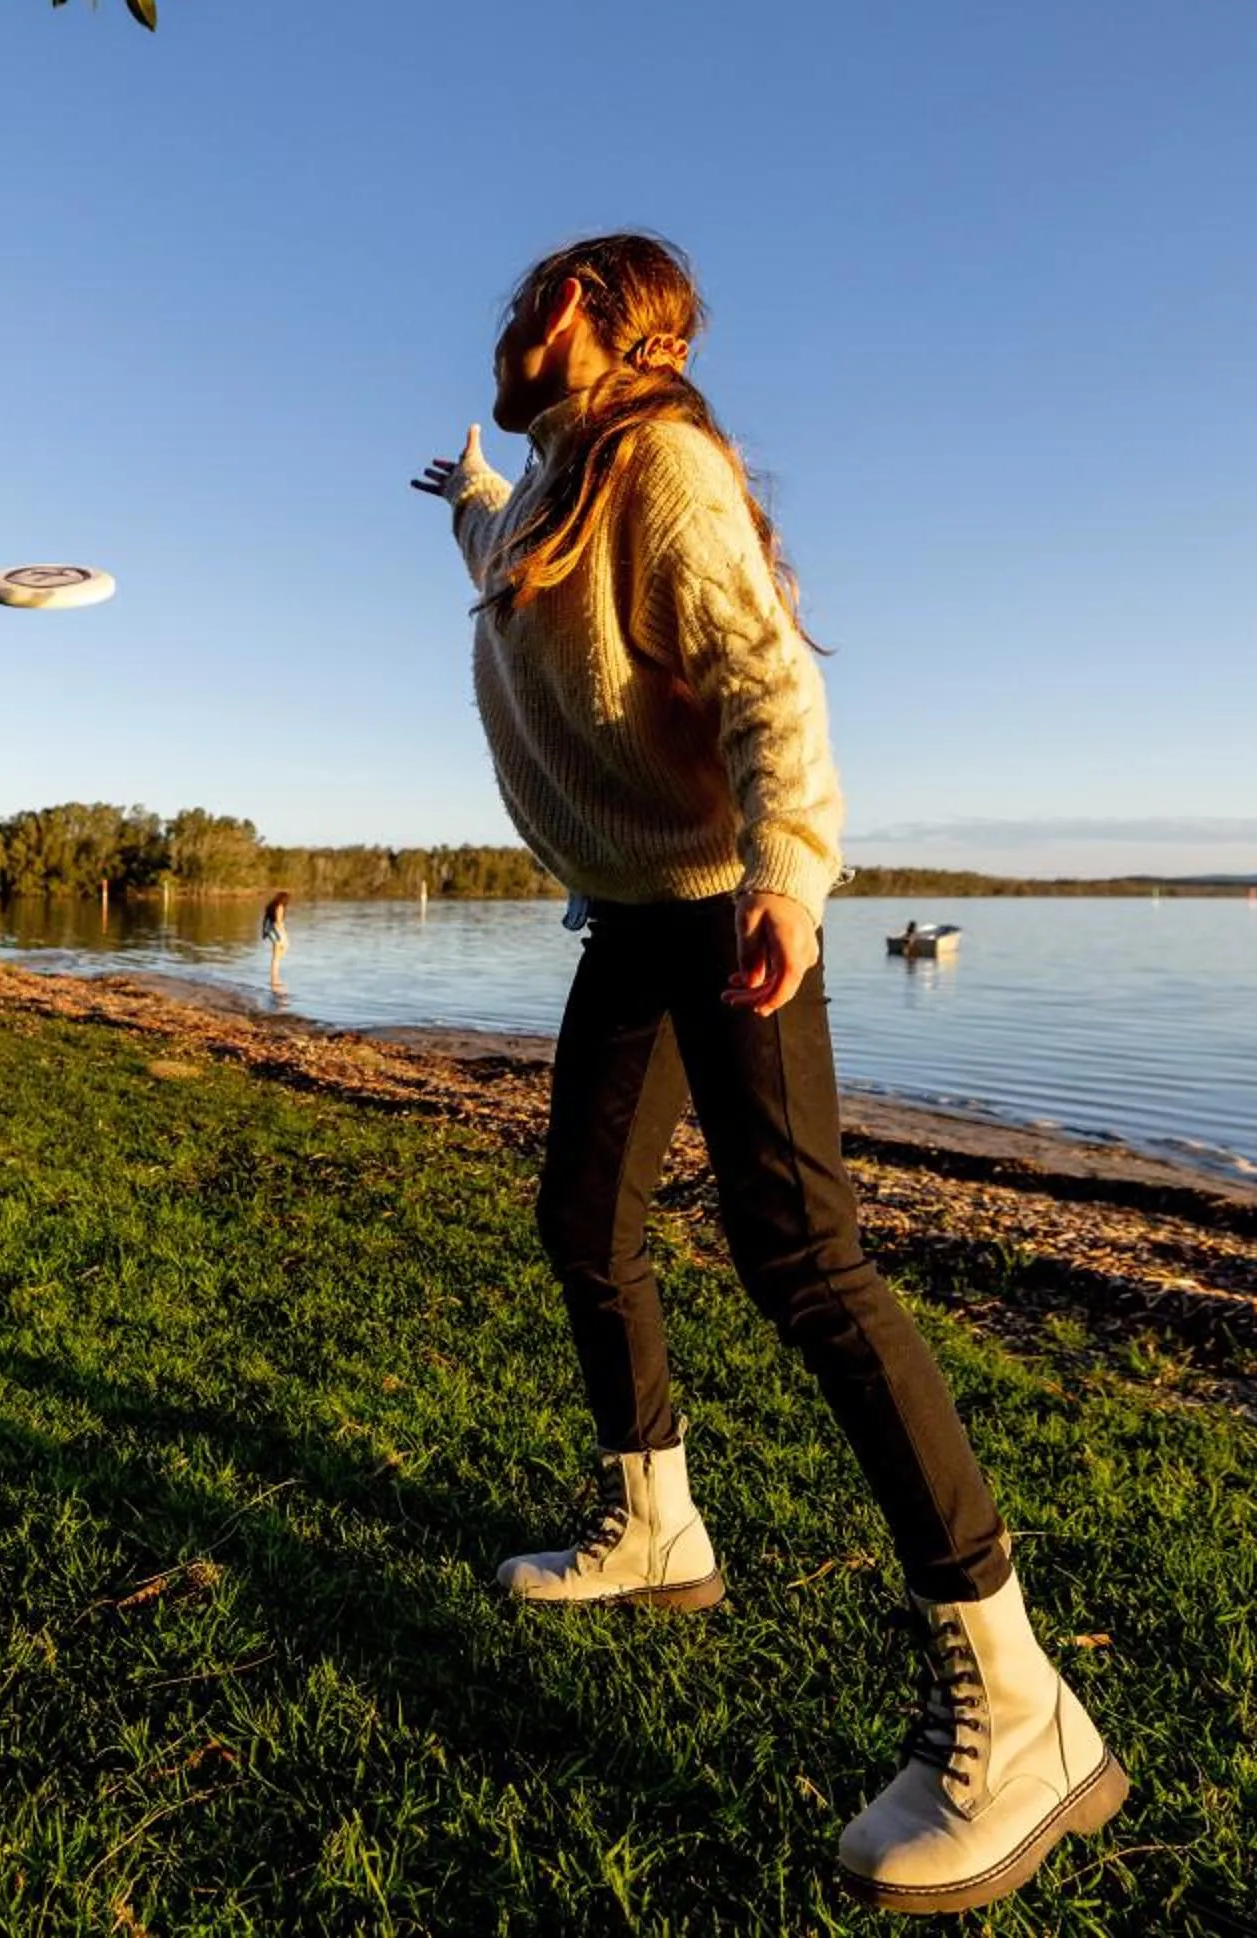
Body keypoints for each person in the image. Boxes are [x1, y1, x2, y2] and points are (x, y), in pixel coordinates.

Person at [410, 234, 1123, 1913]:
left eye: (549, 300)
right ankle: (654, 1523)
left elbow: (765, 681)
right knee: (586, 1219)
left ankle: (1018, 1696)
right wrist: (473, 485)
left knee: (805, 1261)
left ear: (627, 325)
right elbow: (500, 546)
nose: (517, 319)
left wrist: (793, 881)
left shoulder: (657, 467)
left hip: (729, 912)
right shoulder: (552, 496)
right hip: (634, 921)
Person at [261, 889, 292, 990]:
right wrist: (285, 933)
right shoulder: (280, 907)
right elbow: (278, 922)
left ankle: (274, 976)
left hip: (270, 929)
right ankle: (274, 978)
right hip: (275, 929)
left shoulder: (273, 905)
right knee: (282, 948)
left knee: (278, 952)